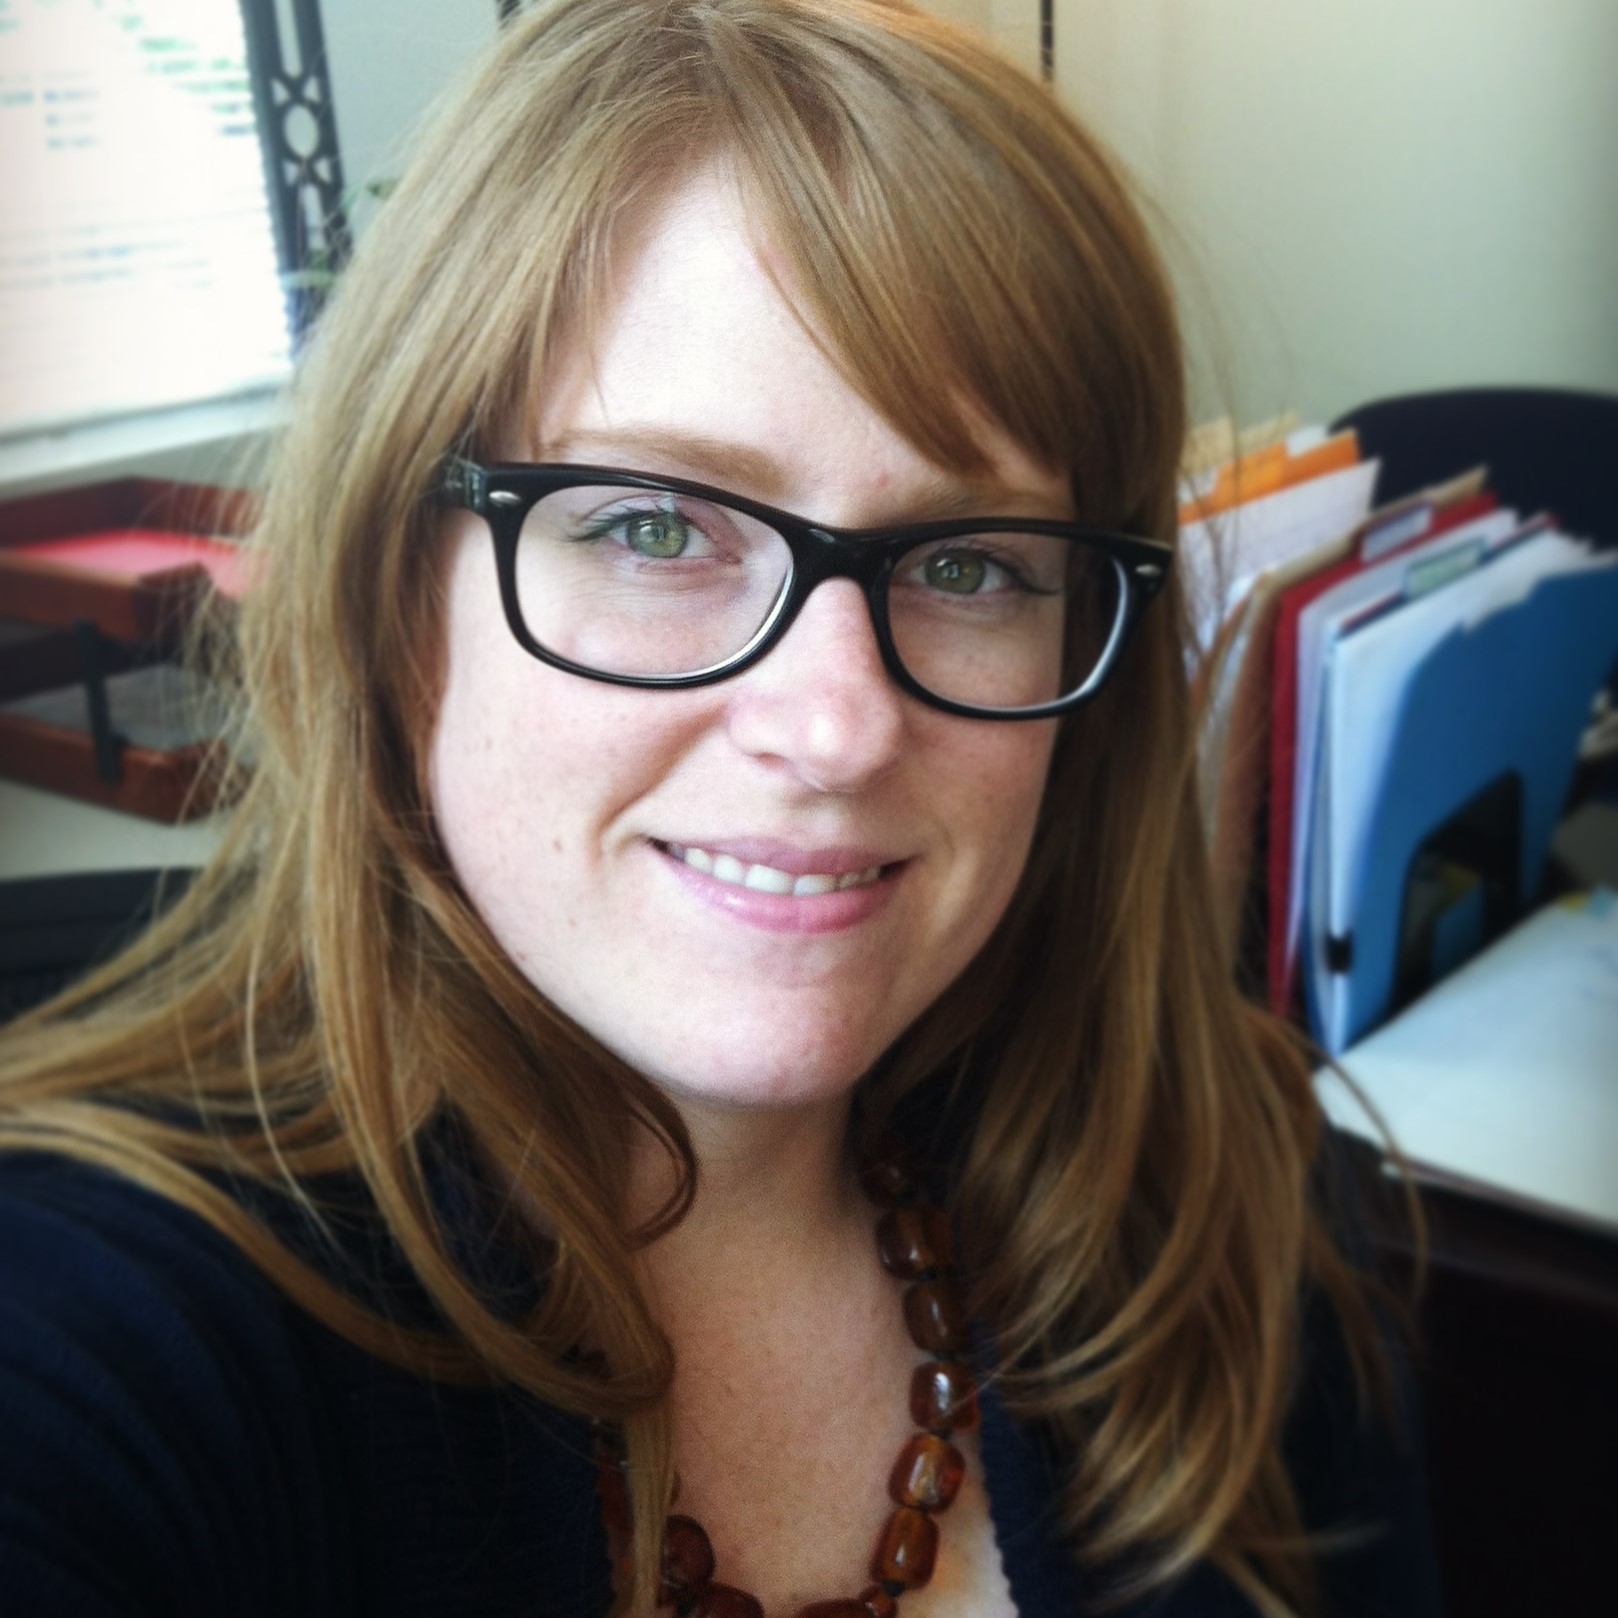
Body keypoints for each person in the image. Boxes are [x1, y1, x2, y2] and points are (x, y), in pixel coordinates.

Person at [0, 2, 1440, 1615]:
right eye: (652, 530)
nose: (833, 726)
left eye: (967, 563)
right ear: (396, 596)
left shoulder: (1225, 1202)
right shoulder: (110, 1340)